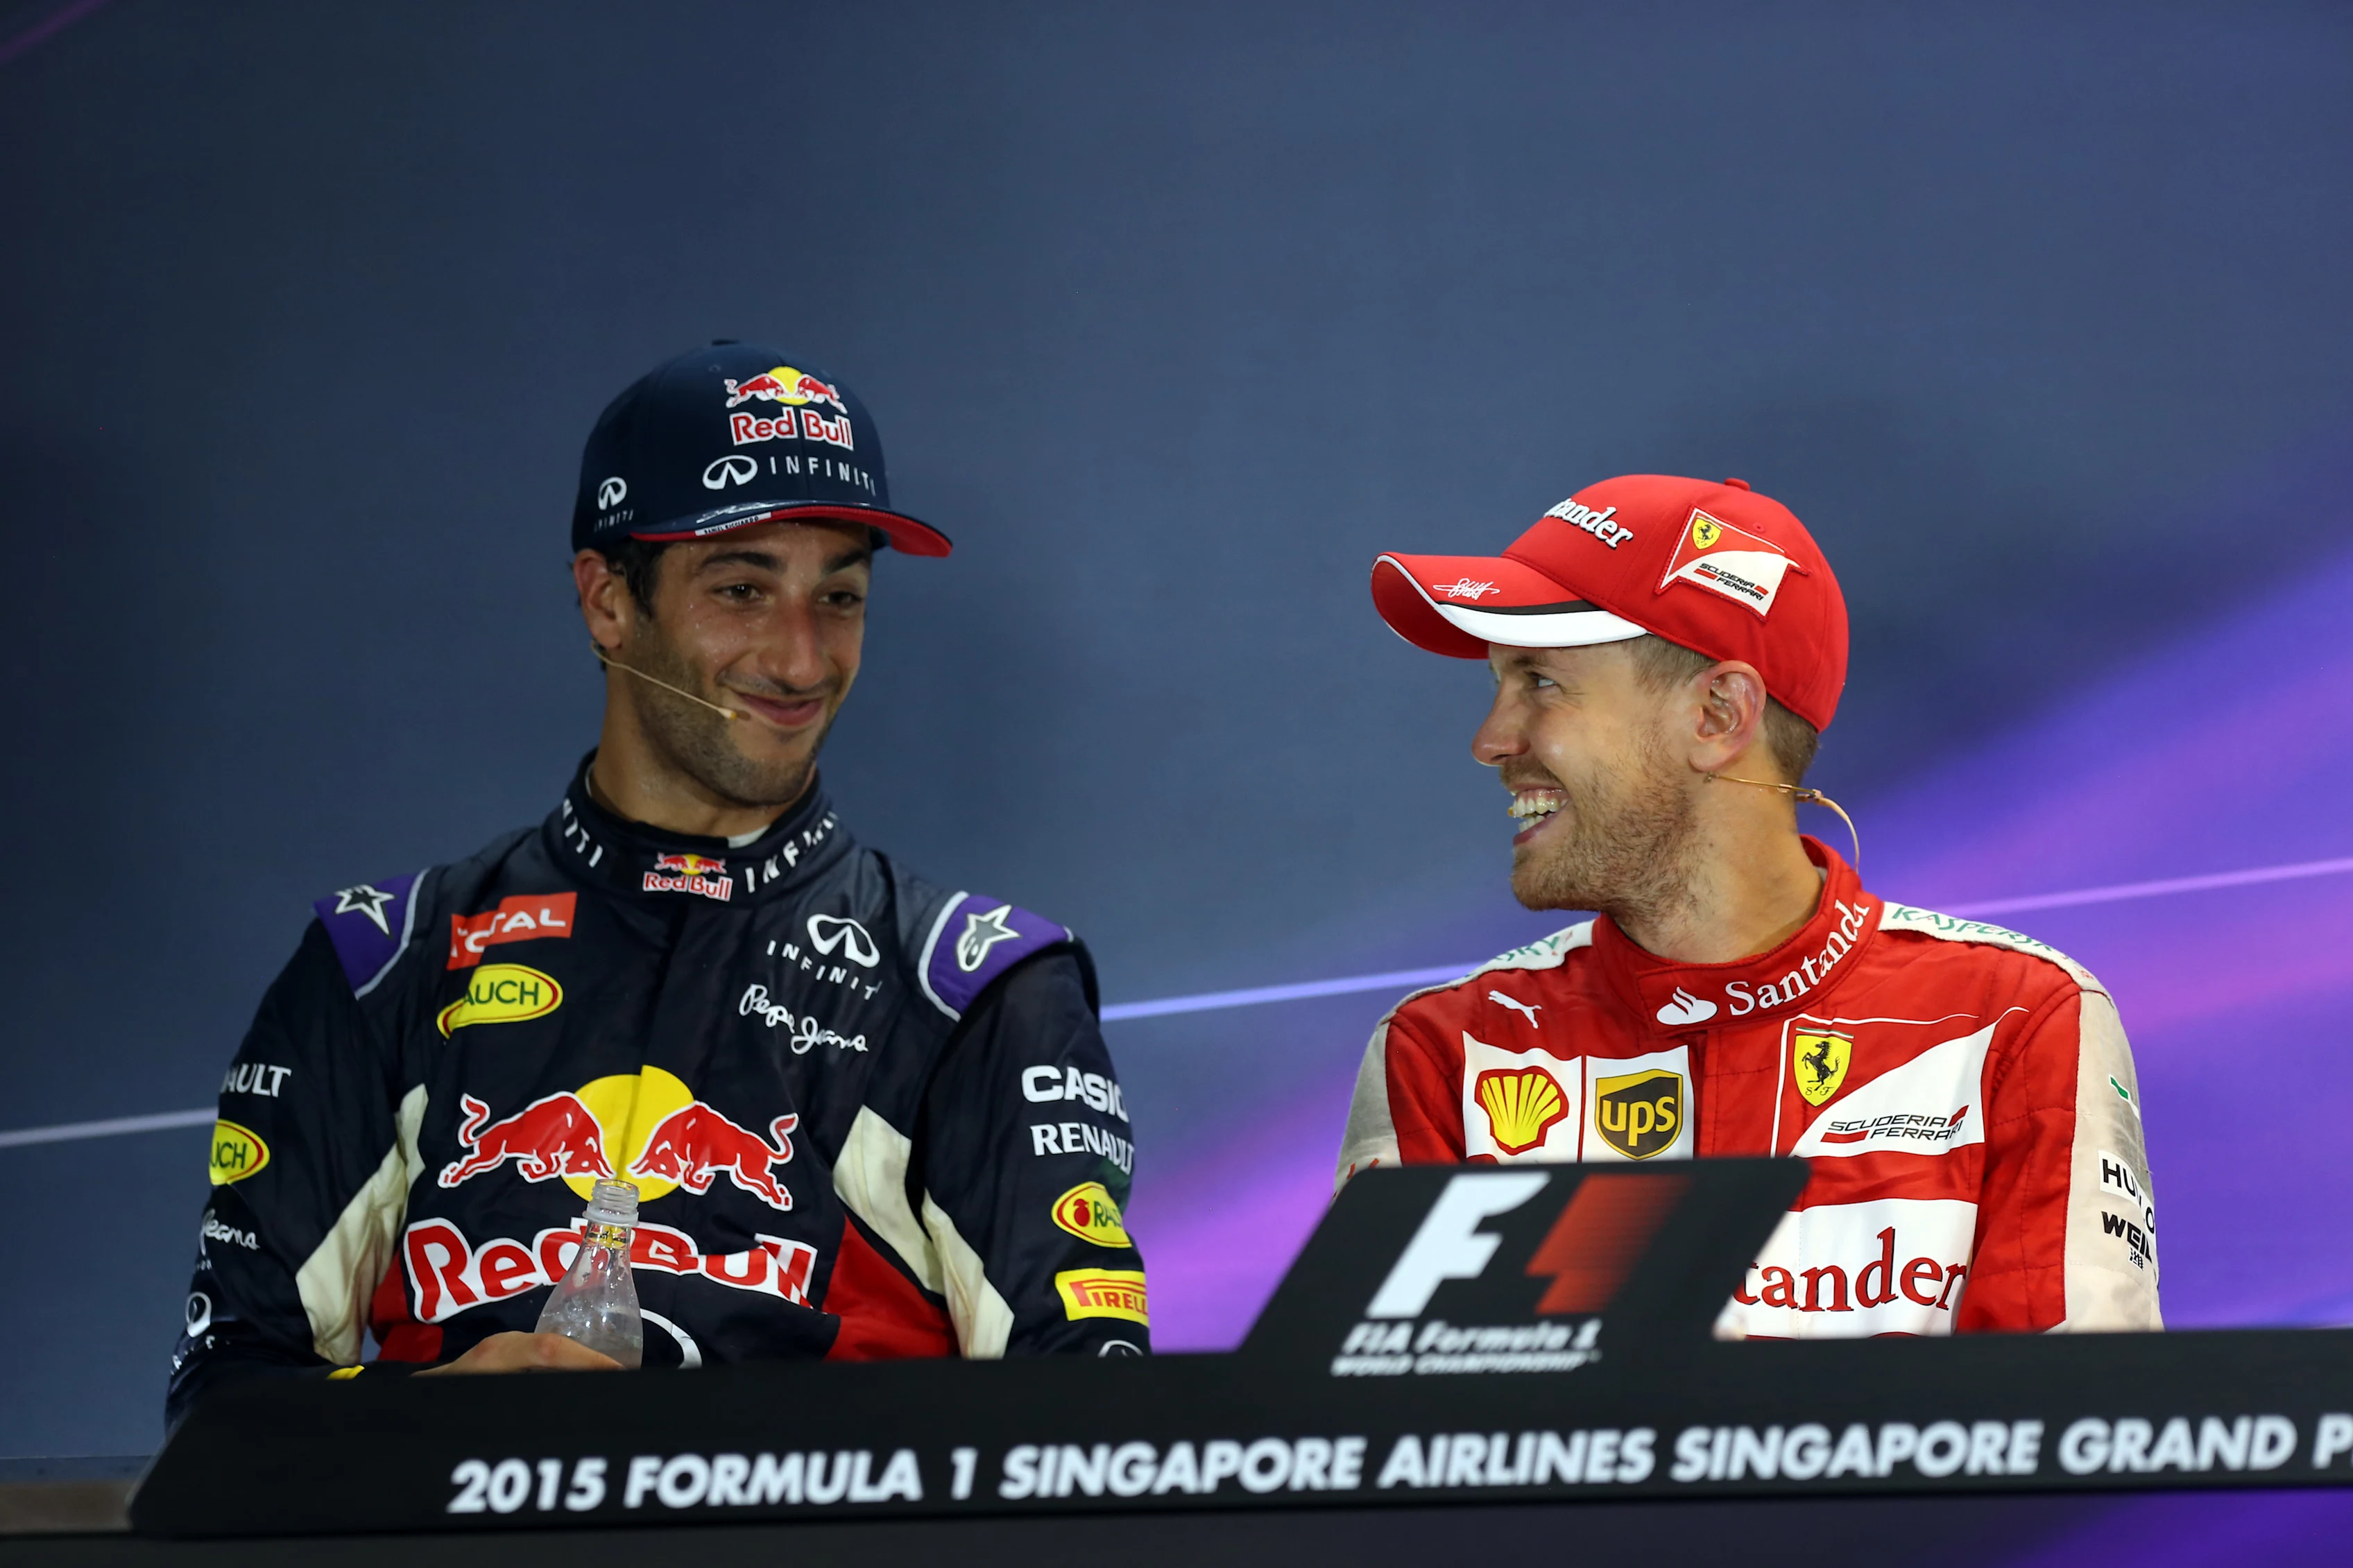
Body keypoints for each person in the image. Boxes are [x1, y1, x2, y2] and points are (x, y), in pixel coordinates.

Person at [169, 343, 1147, 1424]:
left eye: (842, 597)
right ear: (606, 601)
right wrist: (421, 1417)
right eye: (742, 589)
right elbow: (223, 1403)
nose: (801, 660)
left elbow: (1088, 1423)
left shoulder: (980, 989)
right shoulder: (380, 965)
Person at [1337, 475, 2159, 1336]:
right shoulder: (1444, 1053)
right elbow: (1401, 1447)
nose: (1490, 740)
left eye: (1539, 681)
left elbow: (2061, 1439)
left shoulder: (2015, 1020)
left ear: (1717, 713)